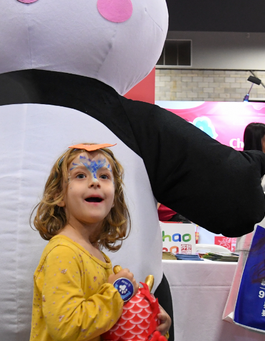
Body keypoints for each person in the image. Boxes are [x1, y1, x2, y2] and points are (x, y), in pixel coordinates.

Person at [30, 143, 170, 341]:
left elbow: (101, 322)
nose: (95, 182)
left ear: (114, 198)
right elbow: (66, 329)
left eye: (104, 176)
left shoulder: (95, 254)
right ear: (58, 195)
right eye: (80, 175)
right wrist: (114, 293)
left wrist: (147, 315)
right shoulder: (63, 252)